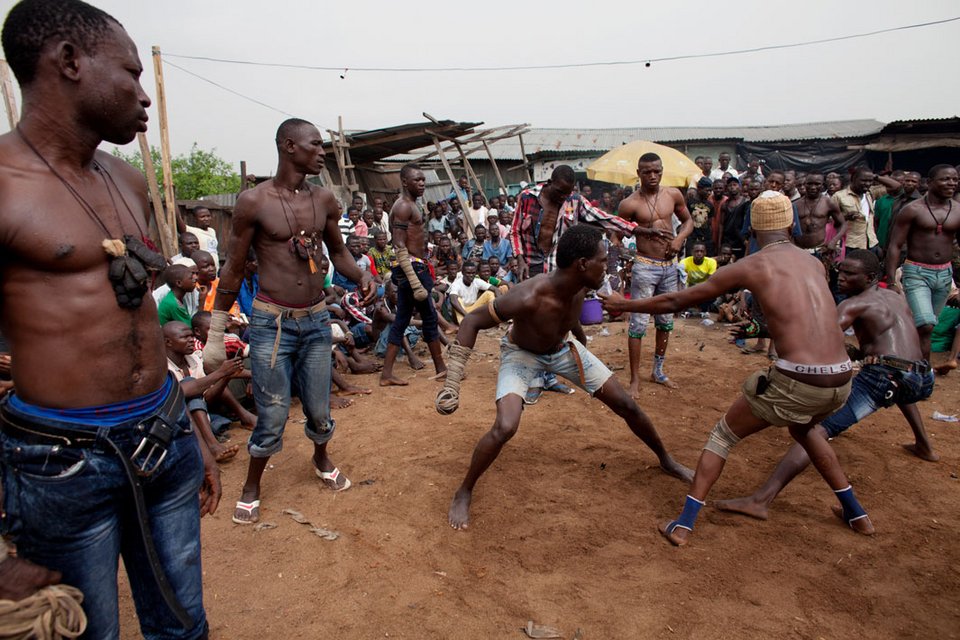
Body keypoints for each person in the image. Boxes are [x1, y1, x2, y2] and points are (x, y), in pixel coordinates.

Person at [0, 1, 218, 636]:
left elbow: (130, 304)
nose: (143, 96)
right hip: (58, 461)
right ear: (69, 62)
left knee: (184, 624)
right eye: (130, 72)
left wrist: (187, 433)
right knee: (84, 630)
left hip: (162, 431)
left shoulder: (125, 178)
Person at [602, 192, 871, 547]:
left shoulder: (754, 265)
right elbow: (802, 321)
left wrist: (626, 303)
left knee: (723, 435)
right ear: (791, 224)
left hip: (798, 380)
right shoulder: (814, 264)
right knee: (808, 432)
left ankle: (683, 525)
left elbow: (677, 300)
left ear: (754, 228)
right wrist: (760, 330)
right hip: (841, 381)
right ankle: (857, 515)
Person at [437, 225, 692, 530]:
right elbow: (474, 321)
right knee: (506, 426)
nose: (607, 265)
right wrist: (453, 381)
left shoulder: (584, 286)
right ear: (582, 264)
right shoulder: (528, 295)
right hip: (522, 353)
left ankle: (665, 458)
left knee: (627, 404)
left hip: (563, 348)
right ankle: (464, 489)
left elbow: (570, 321)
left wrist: (585, 356)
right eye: (602, 259)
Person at [204, 117, 374, 525]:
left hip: (316, 321)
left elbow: (339, 253)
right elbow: (233, 266)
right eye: (314, 145)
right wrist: (215, 331)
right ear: (288, 146)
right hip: (271, 324)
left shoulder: (324, 199)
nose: (321, 152)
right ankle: (252, 485)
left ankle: (321, 457)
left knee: (319, 408)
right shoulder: (254, 201)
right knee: (274, 412)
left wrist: (362, 275)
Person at [714, 250, 938, 522]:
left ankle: (763, 499)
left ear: (869, 277)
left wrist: (761, 329)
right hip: (921, 377)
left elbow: (815, 334)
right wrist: (862, 353)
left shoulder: (853, 305)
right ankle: (924, 444)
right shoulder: (894, 295)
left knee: (813, 433)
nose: (840, 277)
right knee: (898, 381)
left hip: (883, 376)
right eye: (840, 271)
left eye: (849, 274)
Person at [617, 152, 693, 392]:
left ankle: (658, 371)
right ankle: (634, 379)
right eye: (647, 172)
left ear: (662, 171)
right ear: (638, 173)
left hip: (670, 267)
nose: (652, 176)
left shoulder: (672, 194)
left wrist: (680, 238)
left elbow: (688, 221)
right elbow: (615, 235)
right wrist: (628, 256)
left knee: (665, 321)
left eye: (657, 171)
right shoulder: (630, 203)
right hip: (645, 267)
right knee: (638, 324)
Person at [379, 164, 446, 386]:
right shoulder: (403, 207)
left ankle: (387, 374)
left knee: (402, 319)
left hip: (415, 266)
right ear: (405, 182)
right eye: (417, 180)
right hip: (411, 268)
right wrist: (414, 278)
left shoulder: (410, 205)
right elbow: (398, 244)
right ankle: (441, 369)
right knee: (428, 317)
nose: (422, 184)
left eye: (423, 180)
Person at [886, 165, 960, 362]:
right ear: (930, 182)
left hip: (945, 274)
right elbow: (895, 245)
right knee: (925, 324)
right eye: (945, 179)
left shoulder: (957, 210)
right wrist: (892, 281)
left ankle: (912, 364)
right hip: (916, 272)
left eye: (954, 179)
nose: (951, 183)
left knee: (928, 326)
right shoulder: (912, 209)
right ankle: (924, 373)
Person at [795, 173, 847, 261]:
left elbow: (842, 224)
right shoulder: (796, 204)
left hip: (819, 251)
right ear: (805, 184)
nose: (813, 187)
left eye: (817, 184)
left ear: (823, 185)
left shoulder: (828, 203)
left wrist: (834, 241)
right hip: (799, 251)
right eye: (810, 183)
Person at [178, 205, 219, 270]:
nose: (206, 218)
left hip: (214, 269)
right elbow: (178, 220)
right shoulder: (191, 230)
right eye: (202, 217)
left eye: (208, 216)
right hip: (202, 270)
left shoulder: (212, 231)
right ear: (195, 218)